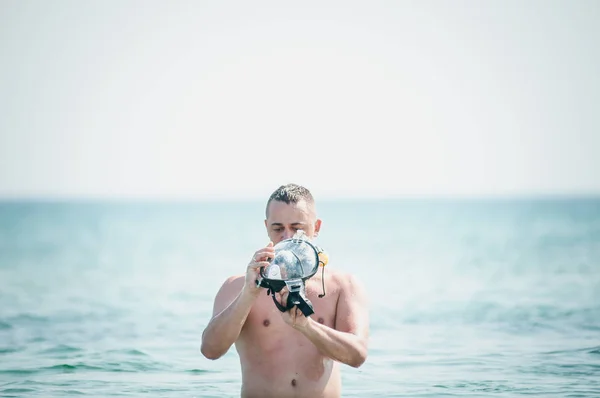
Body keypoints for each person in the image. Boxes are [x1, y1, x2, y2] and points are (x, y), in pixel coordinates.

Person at [200, 183, 369, 398]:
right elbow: (210, 351)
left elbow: (357, 356)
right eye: (278, 228)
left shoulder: (342, 286)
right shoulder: (237, 286)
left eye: (297, 228)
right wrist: (248, 294)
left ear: (316, 228)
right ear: (267, 227)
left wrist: (306, 327)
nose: (288, 237)